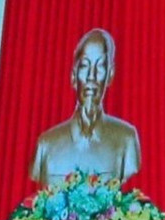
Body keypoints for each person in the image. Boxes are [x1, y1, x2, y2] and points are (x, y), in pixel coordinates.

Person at [29, 28, 140, 187]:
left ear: (110, 75)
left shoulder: (126, 139)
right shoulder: (46, 144)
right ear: (73, 76)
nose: (91, 76)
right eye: (85, 66)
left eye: (100, 66)